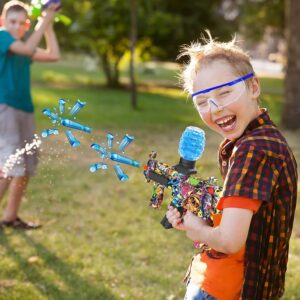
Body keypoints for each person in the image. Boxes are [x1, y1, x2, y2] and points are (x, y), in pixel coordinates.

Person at [166, 33, 298, 300]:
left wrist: (197, 229)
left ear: (254, 87)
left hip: (225, 289)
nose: (215, 108)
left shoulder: (254, 150)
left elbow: (228, 240)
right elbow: (239, 219)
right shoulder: (255, 140)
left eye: (225, 92)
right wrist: (201, 216)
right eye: (202, 101)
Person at [0, 0, 60, 230]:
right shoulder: (3, 37)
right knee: (10, 165)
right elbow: (25, 49)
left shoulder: (23, 45)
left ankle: (10, 217)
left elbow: (54, 55)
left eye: (21, 23)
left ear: (26, 26)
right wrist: (44, 19)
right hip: (5, 109)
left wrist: (49, 25)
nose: (16, 26)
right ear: (3, 22)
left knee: (25, 164)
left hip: (24, 109)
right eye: (11, 21)